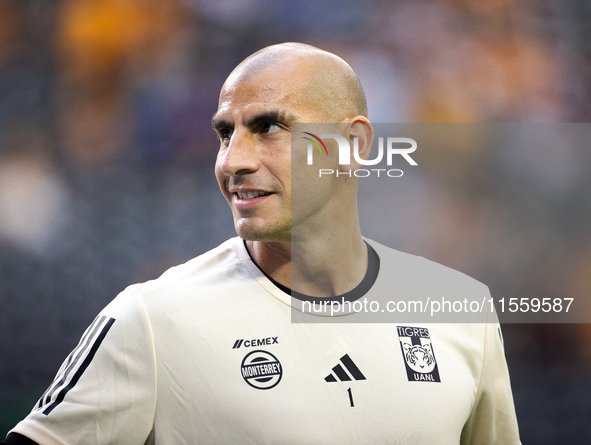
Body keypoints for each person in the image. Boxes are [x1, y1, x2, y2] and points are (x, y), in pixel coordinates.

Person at [3, 42, 520, 444]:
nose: (232, 161)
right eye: (226, 133)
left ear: (352, 145)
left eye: (268, 127)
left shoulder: (461, 309)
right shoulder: (152, 320)